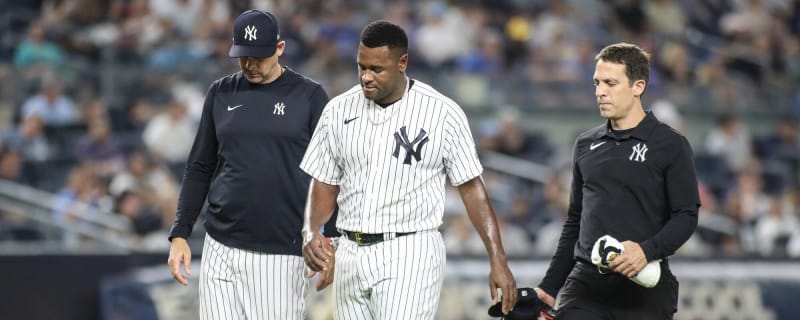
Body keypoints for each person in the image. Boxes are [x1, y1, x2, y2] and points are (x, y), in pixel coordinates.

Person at [299, 20, 518, 319]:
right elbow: (324, 180)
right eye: (361, 67)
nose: (366, 76)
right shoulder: (338, 111)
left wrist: (498, 258)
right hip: (348, 249)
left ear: (402, 62)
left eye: (377, 69)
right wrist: (312, 230)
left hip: (409, 250)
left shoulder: (442, 113)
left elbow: (471, 187)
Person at [166, 9, 331, 320]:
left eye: (260, 57)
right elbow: (199, 166)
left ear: (279, 49)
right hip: (220, 246)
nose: (251, 65)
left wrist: (331, 236)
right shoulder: (221, 91)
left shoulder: (309, 96)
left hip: (281, 250)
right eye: (244, 56)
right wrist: (180, 233)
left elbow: (334, 171)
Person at [533, 43, 700, 319]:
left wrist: (646, 251)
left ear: (638, 86)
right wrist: (550, 287)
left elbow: (686, 216)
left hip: (646, 287)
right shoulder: (585, 144)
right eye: (597, 83)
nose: (600, 92)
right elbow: (575, 221)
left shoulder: (671, 144)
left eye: (611, 83)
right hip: (586, 285)